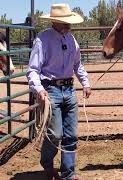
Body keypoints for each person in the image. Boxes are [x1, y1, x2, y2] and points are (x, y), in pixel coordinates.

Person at [26, 3, 91, 180]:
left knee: (71, 134)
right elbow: (33, 69)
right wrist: (39, 89)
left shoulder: (71, 39)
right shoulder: (43, 39)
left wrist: (85, 82)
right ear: (55, 22)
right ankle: (47, 163)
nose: (68, 25)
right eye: (65, 21)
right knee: (55, 133)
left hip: (69, 90)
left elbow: (77, 65)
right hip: (50, 90)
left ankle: (68, 173)